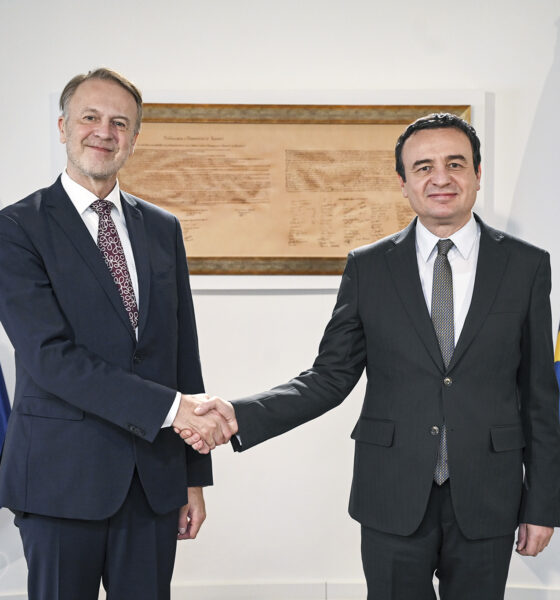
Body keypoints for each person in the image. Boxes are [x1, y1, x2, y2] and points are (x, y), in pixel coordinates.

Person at [182, 113, 560, 600]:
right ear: (403, 183)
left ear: (478, 173)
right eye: (423, 167)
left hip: (490, 493)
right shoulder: (369, 267)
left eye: (455, 164)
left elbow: (540, 397)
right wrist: (240, 413)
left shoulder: (526, 265)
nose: (440, 178)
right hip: (391, 491)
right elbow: (329, 376)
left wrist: (543, 505)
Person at [0, 68, 234, 600]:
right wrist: (172, 410)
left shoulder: (162, 228)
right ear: (63, 126)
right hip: (60, 482)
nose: (104, 132)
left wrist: (192, 476)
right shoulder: (15, 229)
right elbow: (49, 358)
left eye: (120, 123)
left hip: (152, 483)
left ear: (134, 138)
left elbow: (183, 355)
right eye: (90, 117)